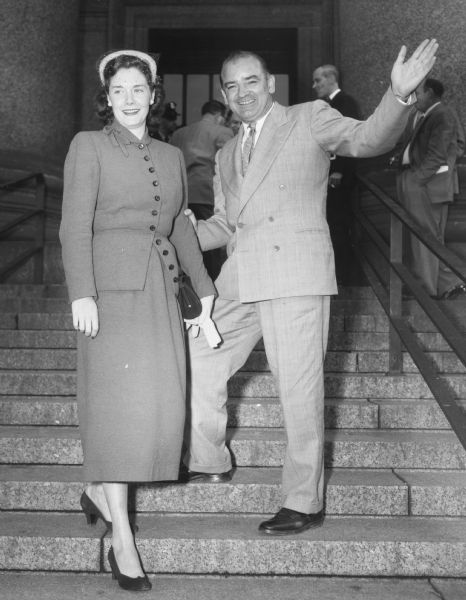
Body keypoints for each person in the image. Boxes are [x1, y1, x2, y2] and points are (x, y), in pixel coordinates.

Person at [182, 40, 438, 536]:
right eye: (231, 86)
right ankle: (209, 455)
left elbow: (366, 139)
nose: (242, 93)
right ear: (223, 94)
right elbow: (225, 224)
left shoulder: (308, 118)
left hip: (295, 275)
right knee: (199, 355)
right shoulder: (227, 151)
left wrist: (399, 96)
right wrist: (180, 233)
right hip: (240, 280)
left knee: (297, 391)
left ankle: (303, 500)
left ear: (270, 84)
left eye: (251, 81)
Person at [59, 49, 215, 591]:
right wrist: (82, 293)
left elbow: (179, 229)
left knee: (152, 408)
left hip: (160, 291)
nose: (129, 99)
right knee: (117, 416)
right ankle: (123, 538)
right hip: (109, 296)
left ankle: (101, 490)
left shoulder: (171, 157)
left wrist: (204, 297)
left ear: (155, 95)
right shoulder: (90, 145)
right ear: (107, 98)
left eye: (138, 90)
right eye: (118, 91)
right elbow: (73, 225)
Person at [395, 77, 465, 299]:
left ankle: (426, 289)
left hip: (426, 184)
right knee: (428, 235)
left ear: (432, 93)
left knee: (424, 236)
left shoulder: (442, 113)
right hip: (422, 181)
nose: (415, 98)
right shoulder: (421, 115)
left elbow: (438, 153)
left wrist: (417, 179)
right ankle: (447, 284)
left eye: (419, 93)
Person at [171, 100, 234, 279]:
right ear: (219, 116)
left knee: (187, 242)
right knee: (211, 248)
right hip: (207, 193)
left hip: (182, 194)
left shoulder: (179, 134)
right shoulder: (223, 132)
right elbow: (230, 163)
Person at [312, 64, 361, 285]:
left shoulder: (345, 102)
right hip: (327, 177)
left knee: (339, 226)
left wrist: (340, 170)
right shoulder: (325, 105)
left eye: (318, 81)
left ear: (332, 78)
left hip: (339, 178)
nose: (314, 86)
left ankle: (344, 277)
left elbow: (349, 137)